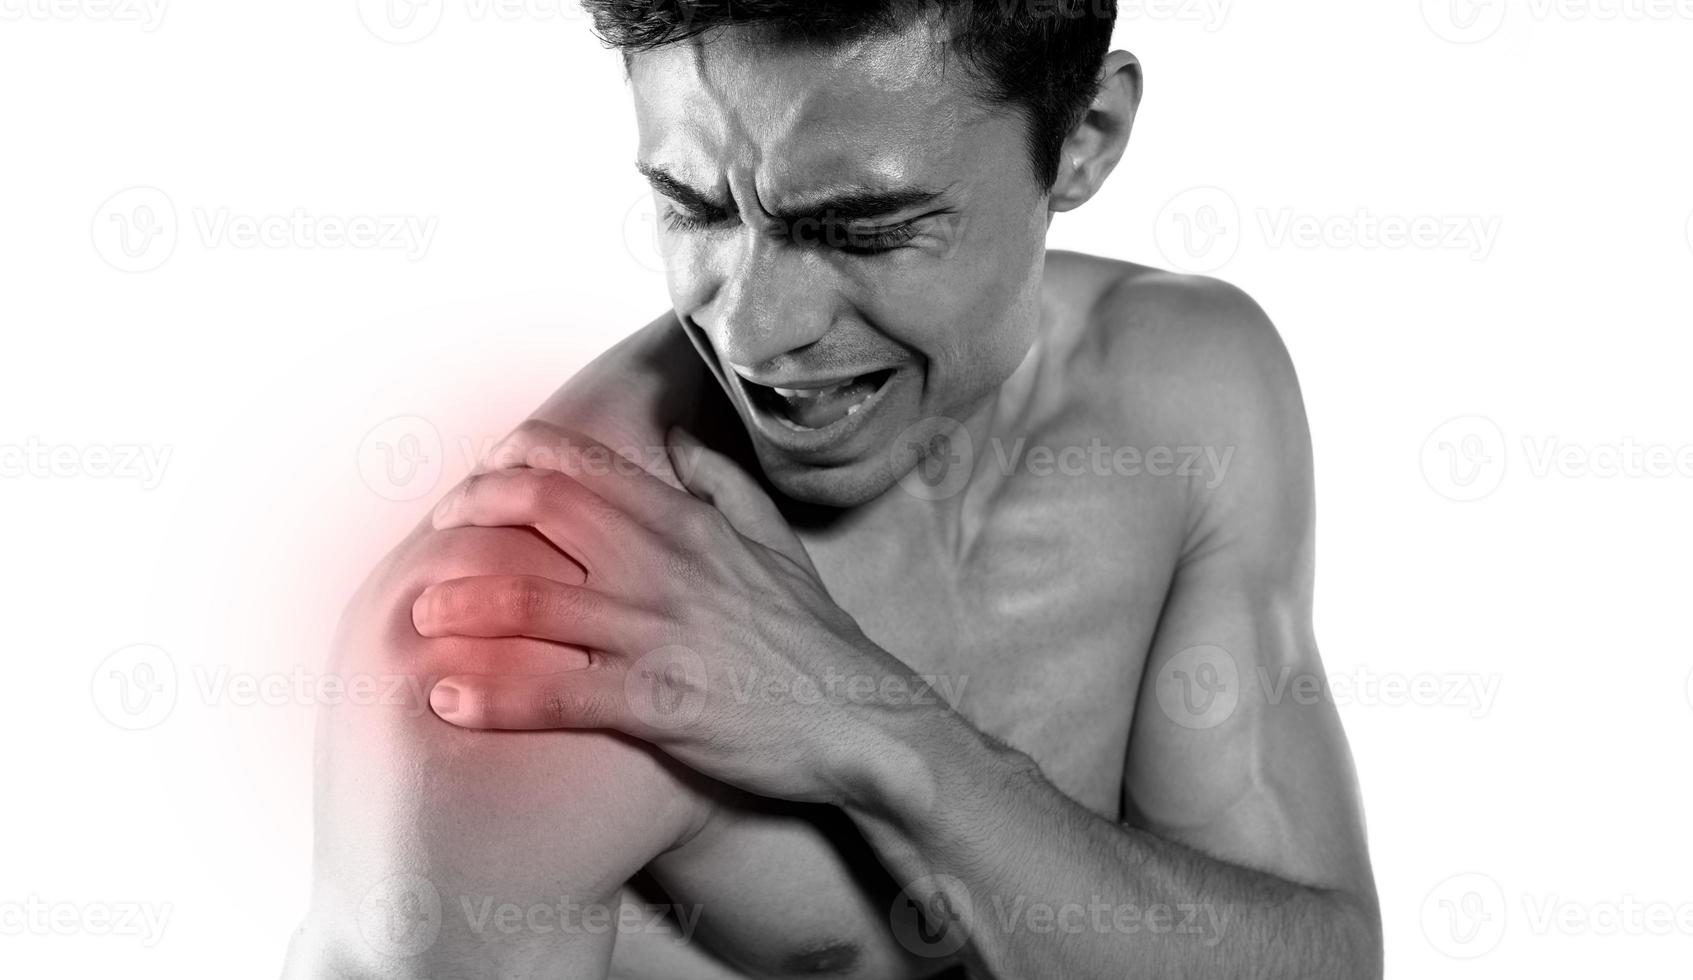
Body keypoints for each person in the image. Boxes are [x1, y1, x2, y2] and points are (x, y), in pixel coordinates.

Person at [285, 2, 1381, 976]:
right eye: (695, 208)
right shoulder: (527, 651)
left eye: (860, 228)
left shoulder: (1190, 393)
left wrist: (879, 733)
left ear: (1085, 138)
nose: (754, 331)